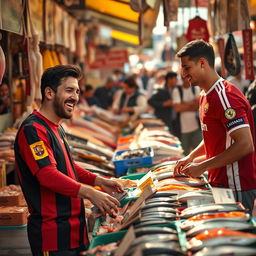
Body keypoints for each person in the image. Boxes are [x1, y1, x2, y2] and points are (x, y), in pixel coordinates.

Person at [14, 65, 123, 256]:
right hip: (53, 237)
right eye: (69, 90)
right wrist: (89, 193)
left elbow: (67, 167)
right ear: (49, 92)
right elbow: (47, 175)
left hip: (74, 232)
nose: (75, 97)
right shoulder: (33, 130)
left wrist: (97, 181)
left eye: (77, 91)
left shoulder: (56, 127)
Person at [174, 40, 256, 212]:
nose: (183, 73)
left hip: (236, 186)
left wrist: (202, 166)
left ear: (202, 63)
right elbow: (214, 136)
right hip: (220, 183)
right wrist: (191, 156)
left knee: (237, 237)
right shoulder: (205, 94)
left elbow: (245, 144)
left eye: (187, 67)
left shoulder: (225, 96)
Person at [172, 78, 202, 155]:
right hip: (182, 129)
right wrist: (192, 104)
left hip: (196, 126)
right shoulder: (177, 90)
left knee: (199, 152)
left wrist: (183, 103)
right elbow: (177, 108)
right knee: (184, 153)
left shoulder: (195, 89)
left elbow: (197, 105)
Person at [148, 72, 181, 138]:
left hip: (176, 120)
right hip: (165, 119)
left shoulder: (178, 89)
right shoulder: (161, 90)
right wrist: (163, 104)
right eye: (175, 79)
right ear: (169, 80)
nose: (176, 81)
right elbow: (150, 101)